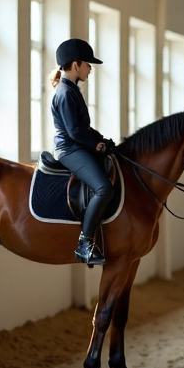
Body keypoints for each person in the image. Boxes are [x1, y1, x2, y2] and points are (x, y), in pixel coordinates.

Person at [50, 38, 115, 266]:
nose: (90, 69)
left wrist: (100, 139)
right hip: (69, 149)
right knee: (103, 188)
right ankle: (85, 244)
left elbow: (83, 128)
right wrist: (93, 145)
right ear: (76, 64)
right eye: (88, 64)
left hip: (77, 144)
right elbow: (75, 131)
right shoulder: (66, 93)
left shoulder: (72, 90)